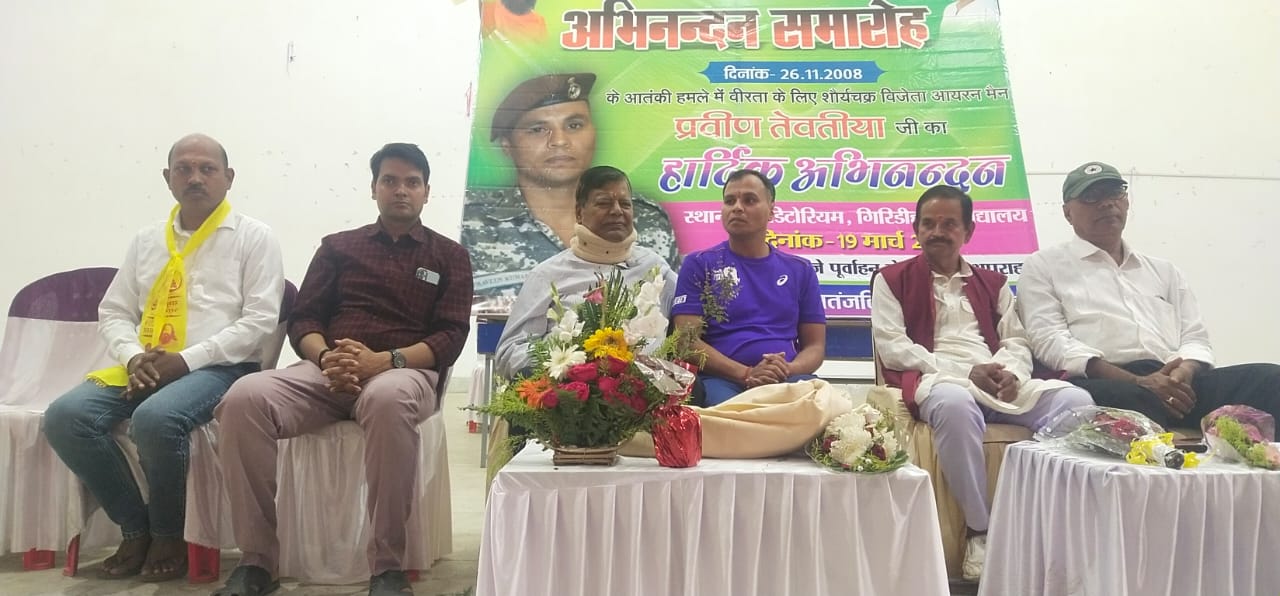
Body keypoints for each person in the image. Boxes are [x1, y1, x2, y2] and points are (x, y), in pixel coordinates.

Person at [211, 143, 472, 596]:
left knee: (388, 399)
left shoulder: (449, 256)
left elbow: (450, 336)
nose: (401, 190)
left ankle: (387, 568)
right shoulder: (338, 247)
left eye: (412, 182)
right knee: (243, 399)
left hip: (401, 372)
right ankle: (257, 562)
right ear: (374, 188)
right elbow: (305, 319)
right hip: (326, 372)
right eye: (390, 181)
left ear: (427, 192)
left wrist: (385, 361)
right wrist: (325, 358)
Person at [43, 133, 284, 582]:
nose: (195, 178)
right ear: (167, 178)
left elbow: (259, 321)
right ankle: (136, 529)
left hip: (221, 367)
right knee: (65, 417)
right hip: (149, 363)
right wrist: (134, 357)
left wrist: (185, 361)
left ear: (229, 178)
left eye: (207, 169)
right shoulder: (147, 240)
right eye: (184, 169)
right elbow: (114, 311)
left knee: (155, 418)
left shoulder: (254, 237)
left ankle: (169, 534)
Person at [871, 185, 1092, 582]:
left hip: (996, 380)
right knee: (955, 405)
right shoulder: (891, 279)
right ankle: (980, 529)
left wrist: (1012, 374)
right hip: (939, 379)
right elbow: (894, 348)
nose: (937, 232)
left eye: (949, 224)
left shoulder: (993, 282)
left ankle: (1043, 521)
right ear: (915, 229)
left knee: (1076, 401)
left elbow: (1016, 340)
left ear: (968, 231)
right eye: (928, 224)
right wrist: (964, 373)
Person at [1018, 161, 1280, 429]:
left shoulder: (1164, 271)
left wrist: (1183, 371)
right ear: (1067, 213)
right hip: (1105, 380)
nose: (1107, 203)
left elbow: (1195, 337)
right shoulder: (1044, 266)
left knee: (1271, 380)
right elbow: (1049, 340)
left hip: (1175, 381)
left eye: (1114, 193)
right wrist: (1138, 381)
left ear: (1126, 201)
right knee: (1132, 401)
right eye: (1091, 196)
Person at [462, 72, 679, 304]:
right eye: (538, 129)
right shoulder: (471, 224)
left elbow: (675, 312)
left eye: (574, 125)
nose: (559, 140)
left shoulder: (647, 220)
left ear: (594, 134)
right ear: (507, 145)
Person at [495, 165, 678, 378]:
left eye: (625, 204)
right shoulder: (548, 275)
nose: (617, 211)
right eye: (603, 203)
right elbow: (509, 353)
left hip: (645, 390)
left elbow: (691, 327)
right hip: (570, 392)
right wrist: (567, 363)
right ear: (579, 213)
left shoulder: (655, 268)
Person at [669, 169, 826, 407]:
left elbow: (815, 347)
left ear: (771, 210)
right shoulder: (699, 264)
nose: (737, 208)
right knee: (733, 419)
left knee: (824, 405)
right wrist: (746, 373)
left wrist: (785, 369)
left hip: (788, 378)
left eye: (749, 200)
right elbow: (686, 342)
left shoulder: (800, 270)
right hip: (722, 380)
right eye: (729, 201)